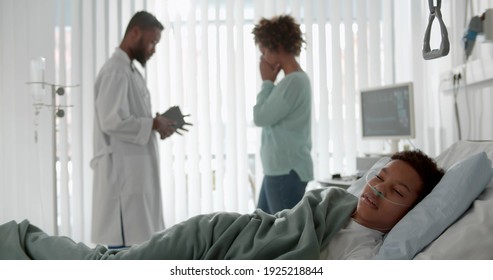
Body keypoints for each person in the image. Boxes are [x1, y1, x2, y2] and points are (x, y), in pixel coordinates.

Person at [1, 150, 445, 260]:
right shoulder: (341, 203)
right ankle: (16, 238)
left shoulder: (370, 251)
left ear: (413, 211)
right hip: (218, 235)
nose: (377, 189)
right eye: (380, 177)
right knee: (105, 265)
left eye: (397, 192)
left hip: (221, 243)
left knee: (113, 258)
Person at [91, 11, 176, 248]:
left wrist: (155, 123)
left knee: (140, 246)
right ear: (135, 33)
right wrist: (152, 123)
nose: (153, 49)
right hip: (121, 180)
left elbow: (129, 118)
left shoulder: (129, 71)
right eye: (152, 41)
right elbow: (111, 120)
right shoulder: (115, 71)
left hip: (133, 176)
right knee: (124, 252)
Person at [251, 14, 314, 214]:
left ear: (275, 47)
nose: (262, 58)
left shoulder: (293, 82)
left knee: (281, 236)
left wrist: (266, 81)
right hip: (280, 172)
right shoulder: (290, 82)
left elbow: (260, 116)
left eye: (263, 51)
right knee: (260, 228)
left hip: (285, 173)